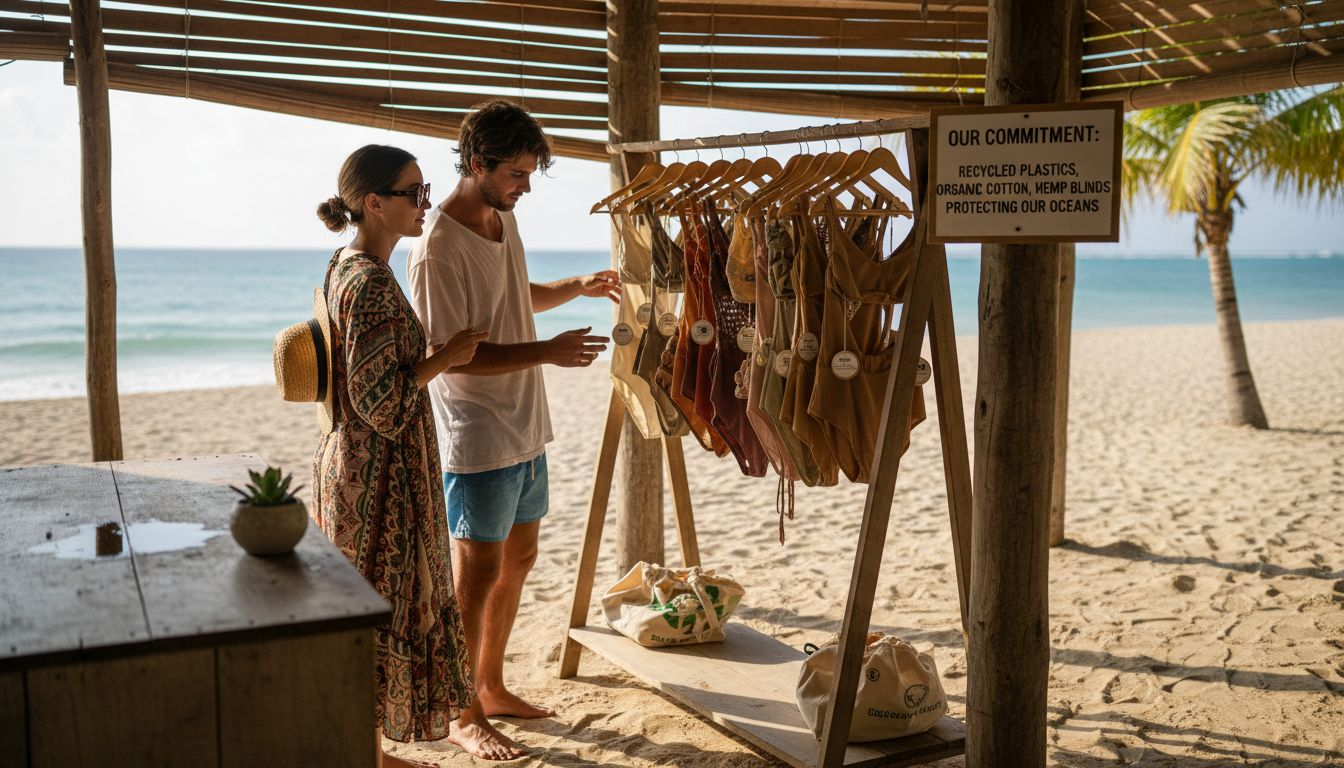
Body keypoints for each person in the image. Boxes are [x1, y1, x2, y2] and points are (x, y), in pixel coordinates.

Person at [408, 101, 619, 732]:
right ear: (478, 164)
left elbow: (513, 293)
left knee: (519, 558)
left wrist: (573, 286)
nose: (525, 188)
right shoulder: (437, 247)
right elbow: (452, 357)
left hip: (525, 425)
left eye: (529, 175)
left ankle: (491, 685)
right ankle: (464, 712)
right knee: (475, 575)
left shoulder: (502, 220)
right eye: (517, 175)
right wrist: (549, 353)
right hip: (477, 435)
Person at [312, 144, 525, 765]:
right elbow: (379, 401)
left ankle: (370, 750)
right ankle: (369, 756)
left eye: (425, 189)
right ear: (372, 203)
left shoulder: (342, 264)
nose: (423, 204)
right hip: (379, 477)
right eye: (412, 193)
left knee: (367, 610)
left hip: (349, 465)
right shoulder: (372, 282)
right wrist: (447, 356)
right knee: (385, 607)